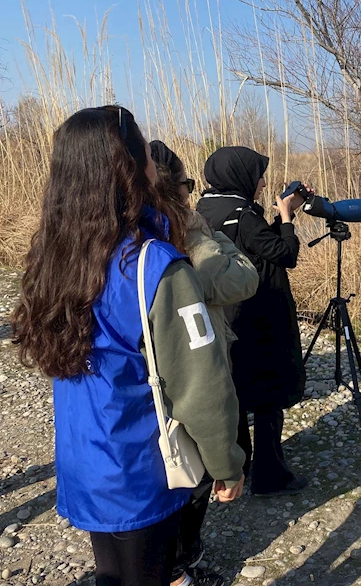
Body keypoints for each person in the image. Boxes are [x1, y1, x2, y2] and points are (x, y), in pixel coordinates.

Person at [11, 106, 245, 586]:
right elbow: (201, 381)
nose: (155, 163)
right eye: (145, 151)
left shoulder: (56, 258)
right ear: (128, 166)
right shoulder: (156, 265)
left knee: (111, 576)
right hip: (140, 472)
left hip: (85, 461)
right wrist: (226, 462)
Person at [150, 139, 259, 583]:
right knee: (194, 478)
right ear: (171, 191)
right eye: (184, 186)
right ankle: (181, 568)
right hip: (192, 377)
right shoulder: (185, 243)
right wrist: (209, 237)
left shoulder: (110, 244)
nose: (191, 195)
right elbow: (243, 279)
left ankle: (169, 562)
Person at [196, 146, 308, 497]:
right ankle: (271, 475)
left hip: (224, 314)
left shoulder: (204, 208)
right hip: (259, 315)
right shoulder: (243, 213)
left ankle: (237, 467)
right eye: (258, 175)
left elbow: (257, 245)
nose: (262, 182)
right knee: (269, 394)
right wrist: (287, 219)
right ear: (241, 175)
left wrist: (277, 220)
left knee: (237, 392)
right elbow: (285, 254)